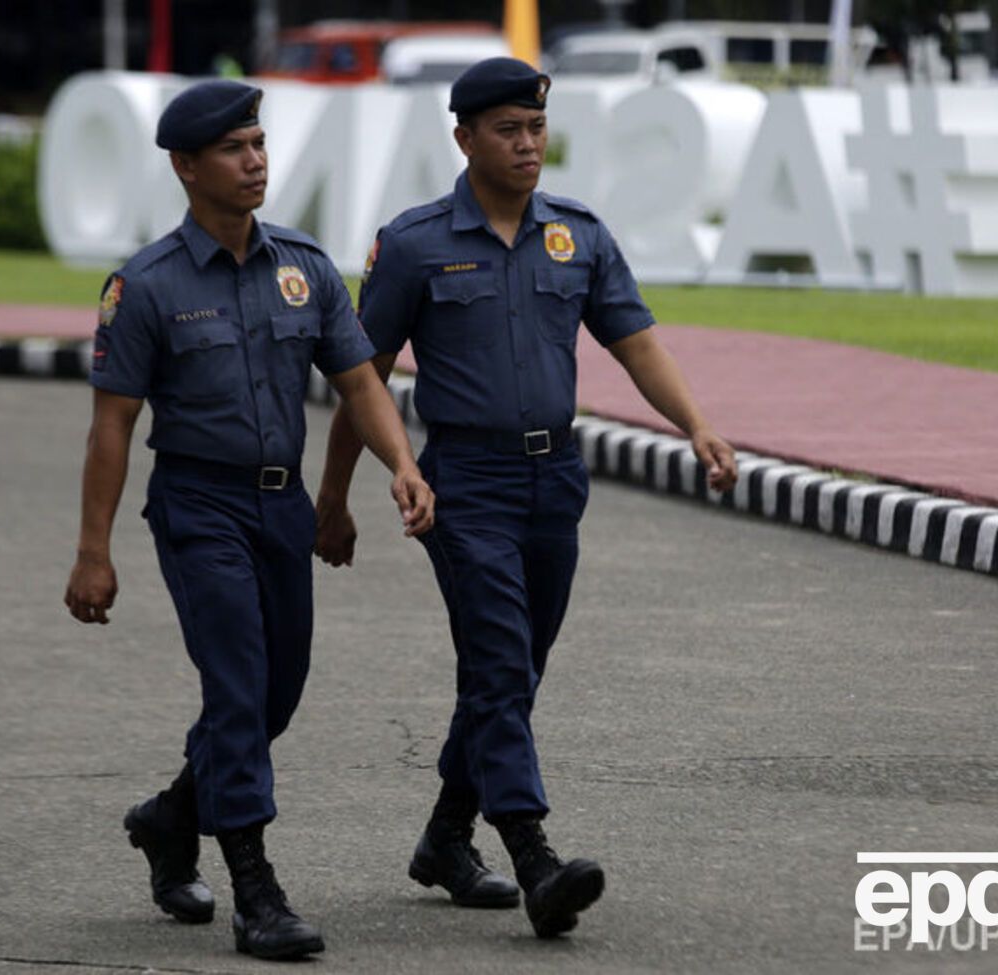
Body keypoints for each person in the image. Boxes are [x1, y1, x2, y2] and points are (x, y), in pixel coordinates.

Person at [314, 58, 738, 939]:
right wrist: (337, 496)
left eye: (537, 128)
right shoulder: (415, 242)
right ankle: (534, 853)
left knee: (515, 671)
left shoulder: (576, 236)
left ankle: (443, 837)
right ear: (464, 138)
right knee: (502, 665)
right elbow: (364, 377)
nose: (527, 144)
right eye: (508, 130)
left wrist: (696, 424)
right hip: (465, 483)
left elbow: (637, 344)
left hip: (557, 479)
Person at [63, 79, 434, 962]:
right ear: (187, 167)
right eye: (234, 149)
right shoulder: (146, 285)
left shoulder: (304, 268)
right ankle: (255, 890)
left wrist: (405, 466)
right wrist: (93, 552)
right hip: (198, 504)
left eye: (259, 143)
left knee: (277, 691)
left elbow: (358, 383)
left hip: (282, 505)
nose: (255, 160)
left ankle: (169, 818)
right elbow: (112, 424)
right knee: (236, 688)